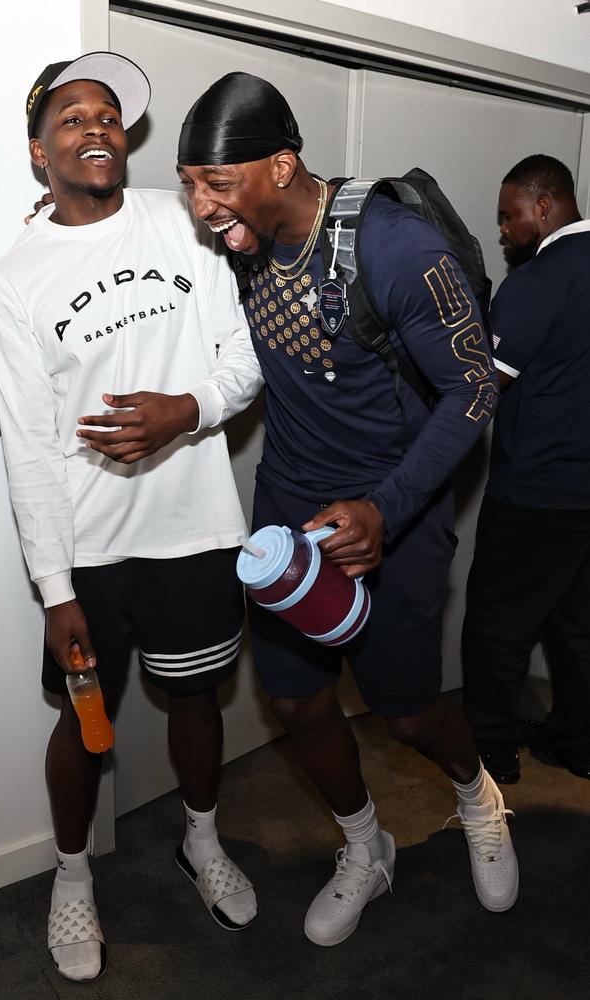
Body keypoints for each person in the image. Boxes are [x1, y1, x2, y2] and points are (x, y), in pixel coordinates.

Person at [81, 70, 517, 948]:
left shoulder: (395, 251)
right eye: (191, 185)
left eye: (218, 184)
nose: (201, 208)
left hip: (397, 509)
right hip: (289, 516)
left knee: (405, 711)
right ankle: (366, 845)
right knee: (299, 705)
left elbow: (474, 392)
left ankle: (480, 797)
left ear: (282, 165)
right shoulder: (235, 243)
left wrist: (387, 509)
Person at [0, 53, 263, 982]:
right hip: (92, 550)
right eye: (71, 118)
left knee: (196, 700)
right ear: (39, 152)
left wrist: (186, 412)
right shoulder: (16, 278)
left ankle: (202, 840)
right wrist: (55, 589)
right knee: (84, 724)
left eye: (107, 115)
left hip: (196, 530)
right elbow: (28, 445)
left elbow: (243, 358)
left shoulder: (184, 224)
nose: (95, 127)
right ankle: (70, 879)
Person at [462, 154, 590, 785]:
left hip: (536, 493)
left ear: (545, 206)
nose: (506, 232)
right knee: (579, 627)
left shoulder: (539, 281)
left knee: (498, 624)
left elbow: (482, 387)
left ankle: (489, 751)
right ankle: (579, 741)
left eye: (511, 218)